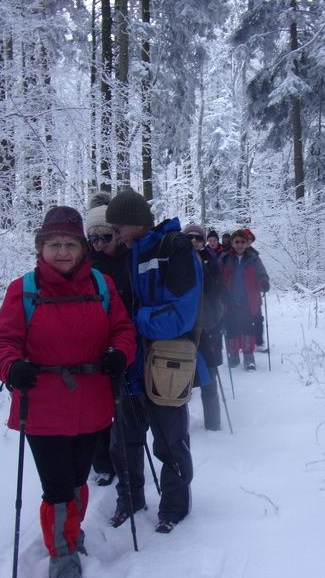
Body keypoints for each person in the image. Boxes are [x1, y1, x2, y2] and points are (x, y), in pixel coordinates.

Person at [0, 206, 136, 578]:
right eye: (54, 244)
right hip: (42, 407)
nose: (63, 252)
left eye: (70, 244)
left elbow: (123, 329)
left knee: (77, 478)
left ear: (82, 248)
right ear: (41, 248)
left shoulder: (101, 286)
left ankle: (70, 531)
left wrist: (120, 353)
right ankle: (63, 552)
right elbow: (1, 342)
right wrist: (11, 367)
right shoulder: (24, 290)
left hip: (92, 403)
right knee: (56, 485)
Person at [105, 189, 204, 534]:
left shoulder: (174, 249)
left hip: (167, 364)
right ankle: (129, 499)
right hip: (131, 363)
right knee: (124, 440)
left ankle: (174, 507)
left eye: (117, 227)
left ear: (135, 223)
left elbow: (182, 315)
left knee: (170, 441)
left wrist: (133, 321)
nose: (114, 235)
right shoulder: (126, 253)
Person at [85, 196, 135, 487]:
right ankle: (103, 462)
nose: (98, 244)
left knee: (125, 406)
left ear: (116, 233)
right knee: (97, 405)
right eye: (92, 238)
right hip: (96, 344)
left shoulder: (132, 257)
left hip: (128, 340)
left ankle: (125, 457)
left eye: (104, 237)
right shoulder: (85, 266)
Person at [183, 224, 225, 431]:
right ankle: (180, 428)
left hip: (209, 328)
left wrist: (216, 322)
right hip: (184, 331)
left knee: (210, 378)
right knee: (181, 381)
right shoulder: (176, 262)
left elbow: (218, 293)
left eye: (197, 238)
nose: (193, 241)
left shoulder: (211, 261)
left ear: (203, 240)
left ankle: (213, 424)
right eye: (189, 237)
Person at [219, 228, 270, 371]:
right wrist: (220, 291)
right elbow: (218, 276)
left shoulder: (253, 258)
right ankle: (233, 356)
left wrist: (263, 282)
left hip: (248, 300)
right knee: (231, 329)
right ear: (232, 243)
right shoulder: (225, 258)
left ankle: (249, 358)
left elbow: (262, 273)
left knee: (248, 329)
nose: (240, 245)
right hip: (229, 300)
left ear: (247, 243)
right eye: (237, 242)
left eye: (242, 242)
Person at [243, 228, 268, 353]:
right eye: (245, 239)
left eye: (249, 239)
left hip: (253, 294)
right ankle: (242, 344)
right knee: (241, 319)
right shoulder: (232, 255)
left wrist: (264, 281)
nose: (248, 241)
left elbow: (261, 271)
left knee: (257, 318)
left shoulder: (255, 256)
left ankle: (259, 342)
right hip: (238, 295)